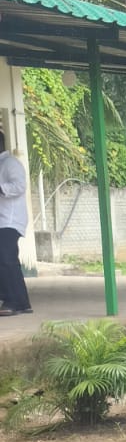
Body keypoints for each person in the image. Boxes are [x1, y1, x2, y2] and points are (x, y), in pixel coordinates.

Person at [0, 127, 32, 317]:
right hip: (2, 221)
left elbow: (19, 186)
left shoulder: (11, 163)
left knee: (7, 260)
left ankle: (15, 301)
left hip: (10, 220)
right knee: (4, 261)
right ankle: (20, 301)